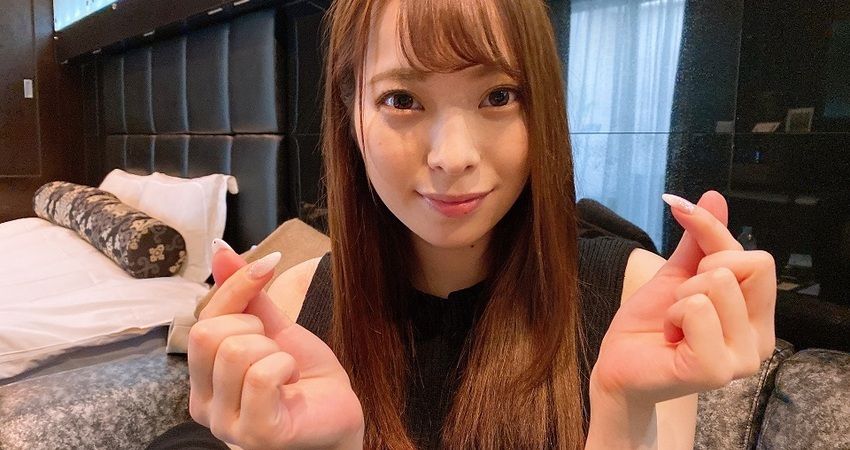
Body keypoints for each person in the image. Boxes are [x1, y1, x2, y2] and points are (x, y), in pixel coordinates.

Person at [149, 0, 776, 448]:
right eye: (402, 99)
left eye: (498, 96)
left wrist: (621, 408)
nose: (453, 156)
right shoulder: (293, 305)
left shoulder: (635, 296)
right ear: (350, 113)